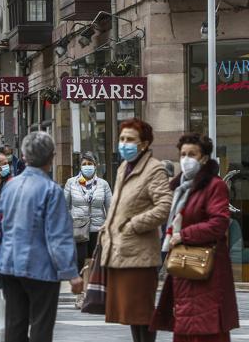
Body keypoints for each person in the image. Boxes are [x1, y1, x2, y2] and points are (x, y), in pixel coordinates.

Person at [0, 132, 83, 342]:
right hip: (41, 269)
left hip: (9, 265)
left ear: (23, 157)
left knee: (14, 325)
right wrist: (71, 272)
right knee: (41, 325)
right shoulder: (51, 190)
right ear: (52, 157)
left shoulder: (10, 186)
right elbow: (58, 235)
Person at [151, 133, 239, 342]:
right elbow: (176, 220)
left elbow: (218, 223)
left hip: (206, 269)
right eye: (183, 154)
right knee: (186, 328)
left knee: (206, 331)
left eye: (192, 154)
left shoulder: (214, 185)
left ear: (204, 158)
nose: (186, 159)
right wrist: (173, 233)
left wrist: (183, 235)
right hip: (184, 269)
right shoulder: (182, 187)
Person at [99, 118, 173, 342]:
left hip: (139, 255)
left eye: (130, 139)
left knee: (142, 313)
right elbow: (120, 203)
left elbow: (164, 206)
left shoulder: (154, 169)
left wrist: (133, 225)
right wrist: (108, 227)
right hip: (120, 251)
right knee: (130, 314)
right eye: (122, 139)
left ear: (144, 143)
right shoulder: (124, 167)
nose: (124, 144)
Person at [64, 151, 112, 308]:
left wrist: (110, 226)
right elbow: (64, 206)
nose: (87, 167)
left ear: (96, 165)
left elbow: (110, 207)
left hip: (98, 228)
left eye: (90, 164)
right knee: (81, 262)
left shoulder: (103, 184)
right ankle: (81, 295)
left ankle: (94, 295)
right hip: (78, 229)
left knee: (95, 262)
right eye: (84, 164)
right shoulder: (71, 183)